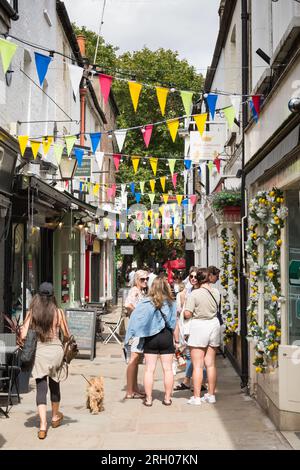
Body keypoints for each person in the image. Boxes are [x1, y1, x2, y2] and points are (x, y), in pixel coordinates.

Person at [20, 282, 70, 439]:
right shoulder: (58, 312)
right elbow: (67, 334)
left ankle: (42, 426)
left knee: (41, 388)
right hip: (56, 351)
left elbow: (22, 335)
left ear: (38, 296)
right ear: (52, 295)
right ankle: (54, 417)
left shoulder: (32, 312)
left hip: (40, 352)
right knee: (55, 385)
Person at [125, 276, 177, 406]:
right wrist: (177, 340)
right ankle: (167, 398)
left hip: (150, 337)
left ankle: (148, 400)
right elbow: (173, 323)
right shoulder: (171, 302)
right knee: (168, 369)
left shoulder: (145, 302)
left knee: (149, 369)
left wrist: (132, 334)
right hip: (166, 336)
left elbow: (136, 318)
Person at [184, 268, 221, 405]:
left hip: (199, 326)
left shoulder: (194, 294)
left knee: (198, 365)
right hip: (214, 325)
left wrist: (185, 314)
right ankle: (211, 395)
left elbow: (187, 313)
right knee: (210, 364)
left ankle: (197, 397)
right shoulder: (216, 292)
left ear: (198, 279)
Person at [124, 270, 149, 398]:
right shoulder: (134, 290)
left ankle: (134, 388)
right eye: (142, 279)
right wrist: (137, 313)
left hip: (139, 329)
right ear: (136, 280)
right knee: (133, 360)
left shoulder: (140, 291)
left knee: (136, 359)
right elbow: (127, 304)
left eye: (146, 279)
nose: (145, 281)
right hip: (136, 330)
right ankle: (129, 391)